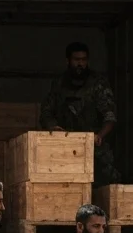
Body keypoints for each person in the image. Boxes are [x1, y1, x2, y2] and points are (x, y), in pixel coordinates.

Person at [39, 42, 119, 187]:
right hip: (65, 146)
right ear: (68, 61)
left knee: (105, 183)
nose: (80, 64)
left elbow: (110, 115)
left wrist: (100, 135)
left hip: (93, 147)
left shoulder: (98, 83)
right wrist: (53, 127)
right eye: (76, 60)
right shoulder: (59, 84)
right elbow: (46, 112)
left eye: (84, 60)